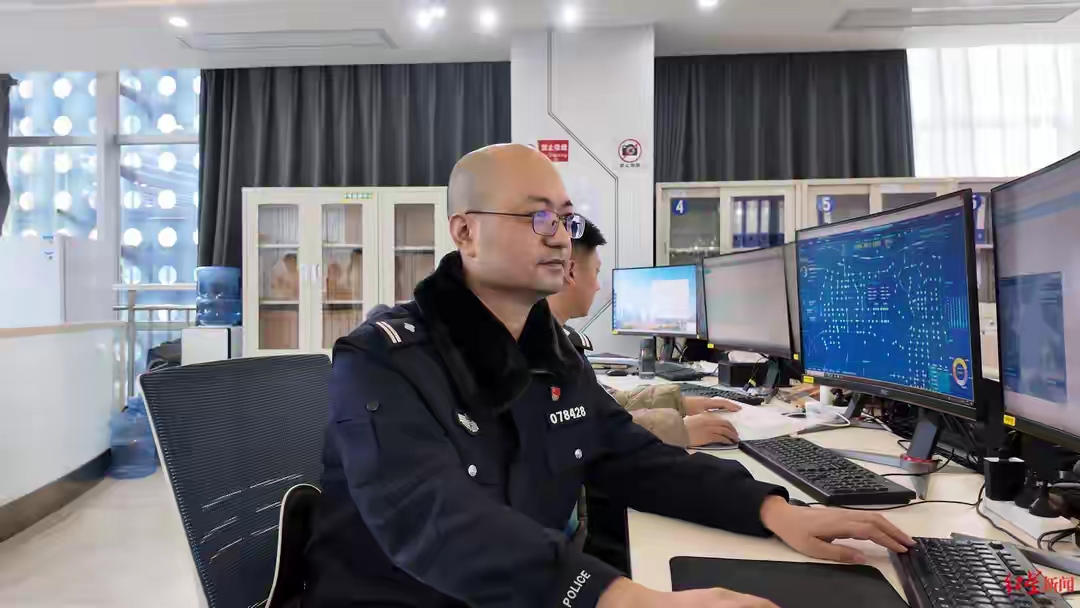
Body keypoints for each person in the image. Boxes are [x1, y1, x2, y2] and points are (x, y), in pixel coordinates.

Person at [304, 143, 914, 608]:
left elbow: (631, 458)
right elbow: (433, 520)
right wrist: (623, 598)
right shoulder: (384, 360)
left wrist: (770, 510)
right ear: (466, 232)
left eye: (566, 220)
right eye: (537, 218)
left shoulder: (551, 353)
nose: (560, 239)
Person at [546, 217, 740, 448]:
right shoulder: (542, 352)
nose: (598, 286)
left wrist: (680, 403)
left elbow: (605, 402)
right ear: (570, 272)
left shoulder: (559, 340)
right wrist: (680, 430)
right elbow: (583, 428)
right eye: (596, 272)